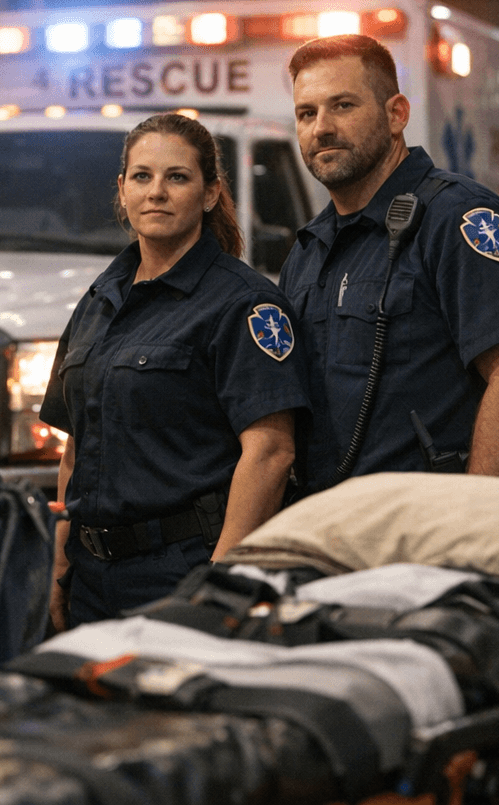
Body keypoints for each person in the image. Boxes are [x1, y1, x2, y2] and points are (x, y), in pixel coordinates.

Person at [42, 113, 309, 631]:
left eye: (177, 177)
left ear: (210, 194)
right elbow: (77, 441)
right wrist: (60, 559)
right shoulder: (100, 298)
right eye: (141, 177)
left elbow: (272, 452)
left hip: (182, 571)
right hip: (92, 572)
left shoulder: (243, 303)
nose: (156, 192)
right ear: (122, 191)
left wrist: (221, 583)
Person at [278, 34, 499, 494]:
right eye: (307, 113)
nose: (321, 128)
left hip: (432, 534)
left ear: (396, 115)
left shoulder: (456, 219)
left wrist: (470, 523)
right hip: (333, 536)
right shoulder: (308, 251)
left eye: (343, 106)